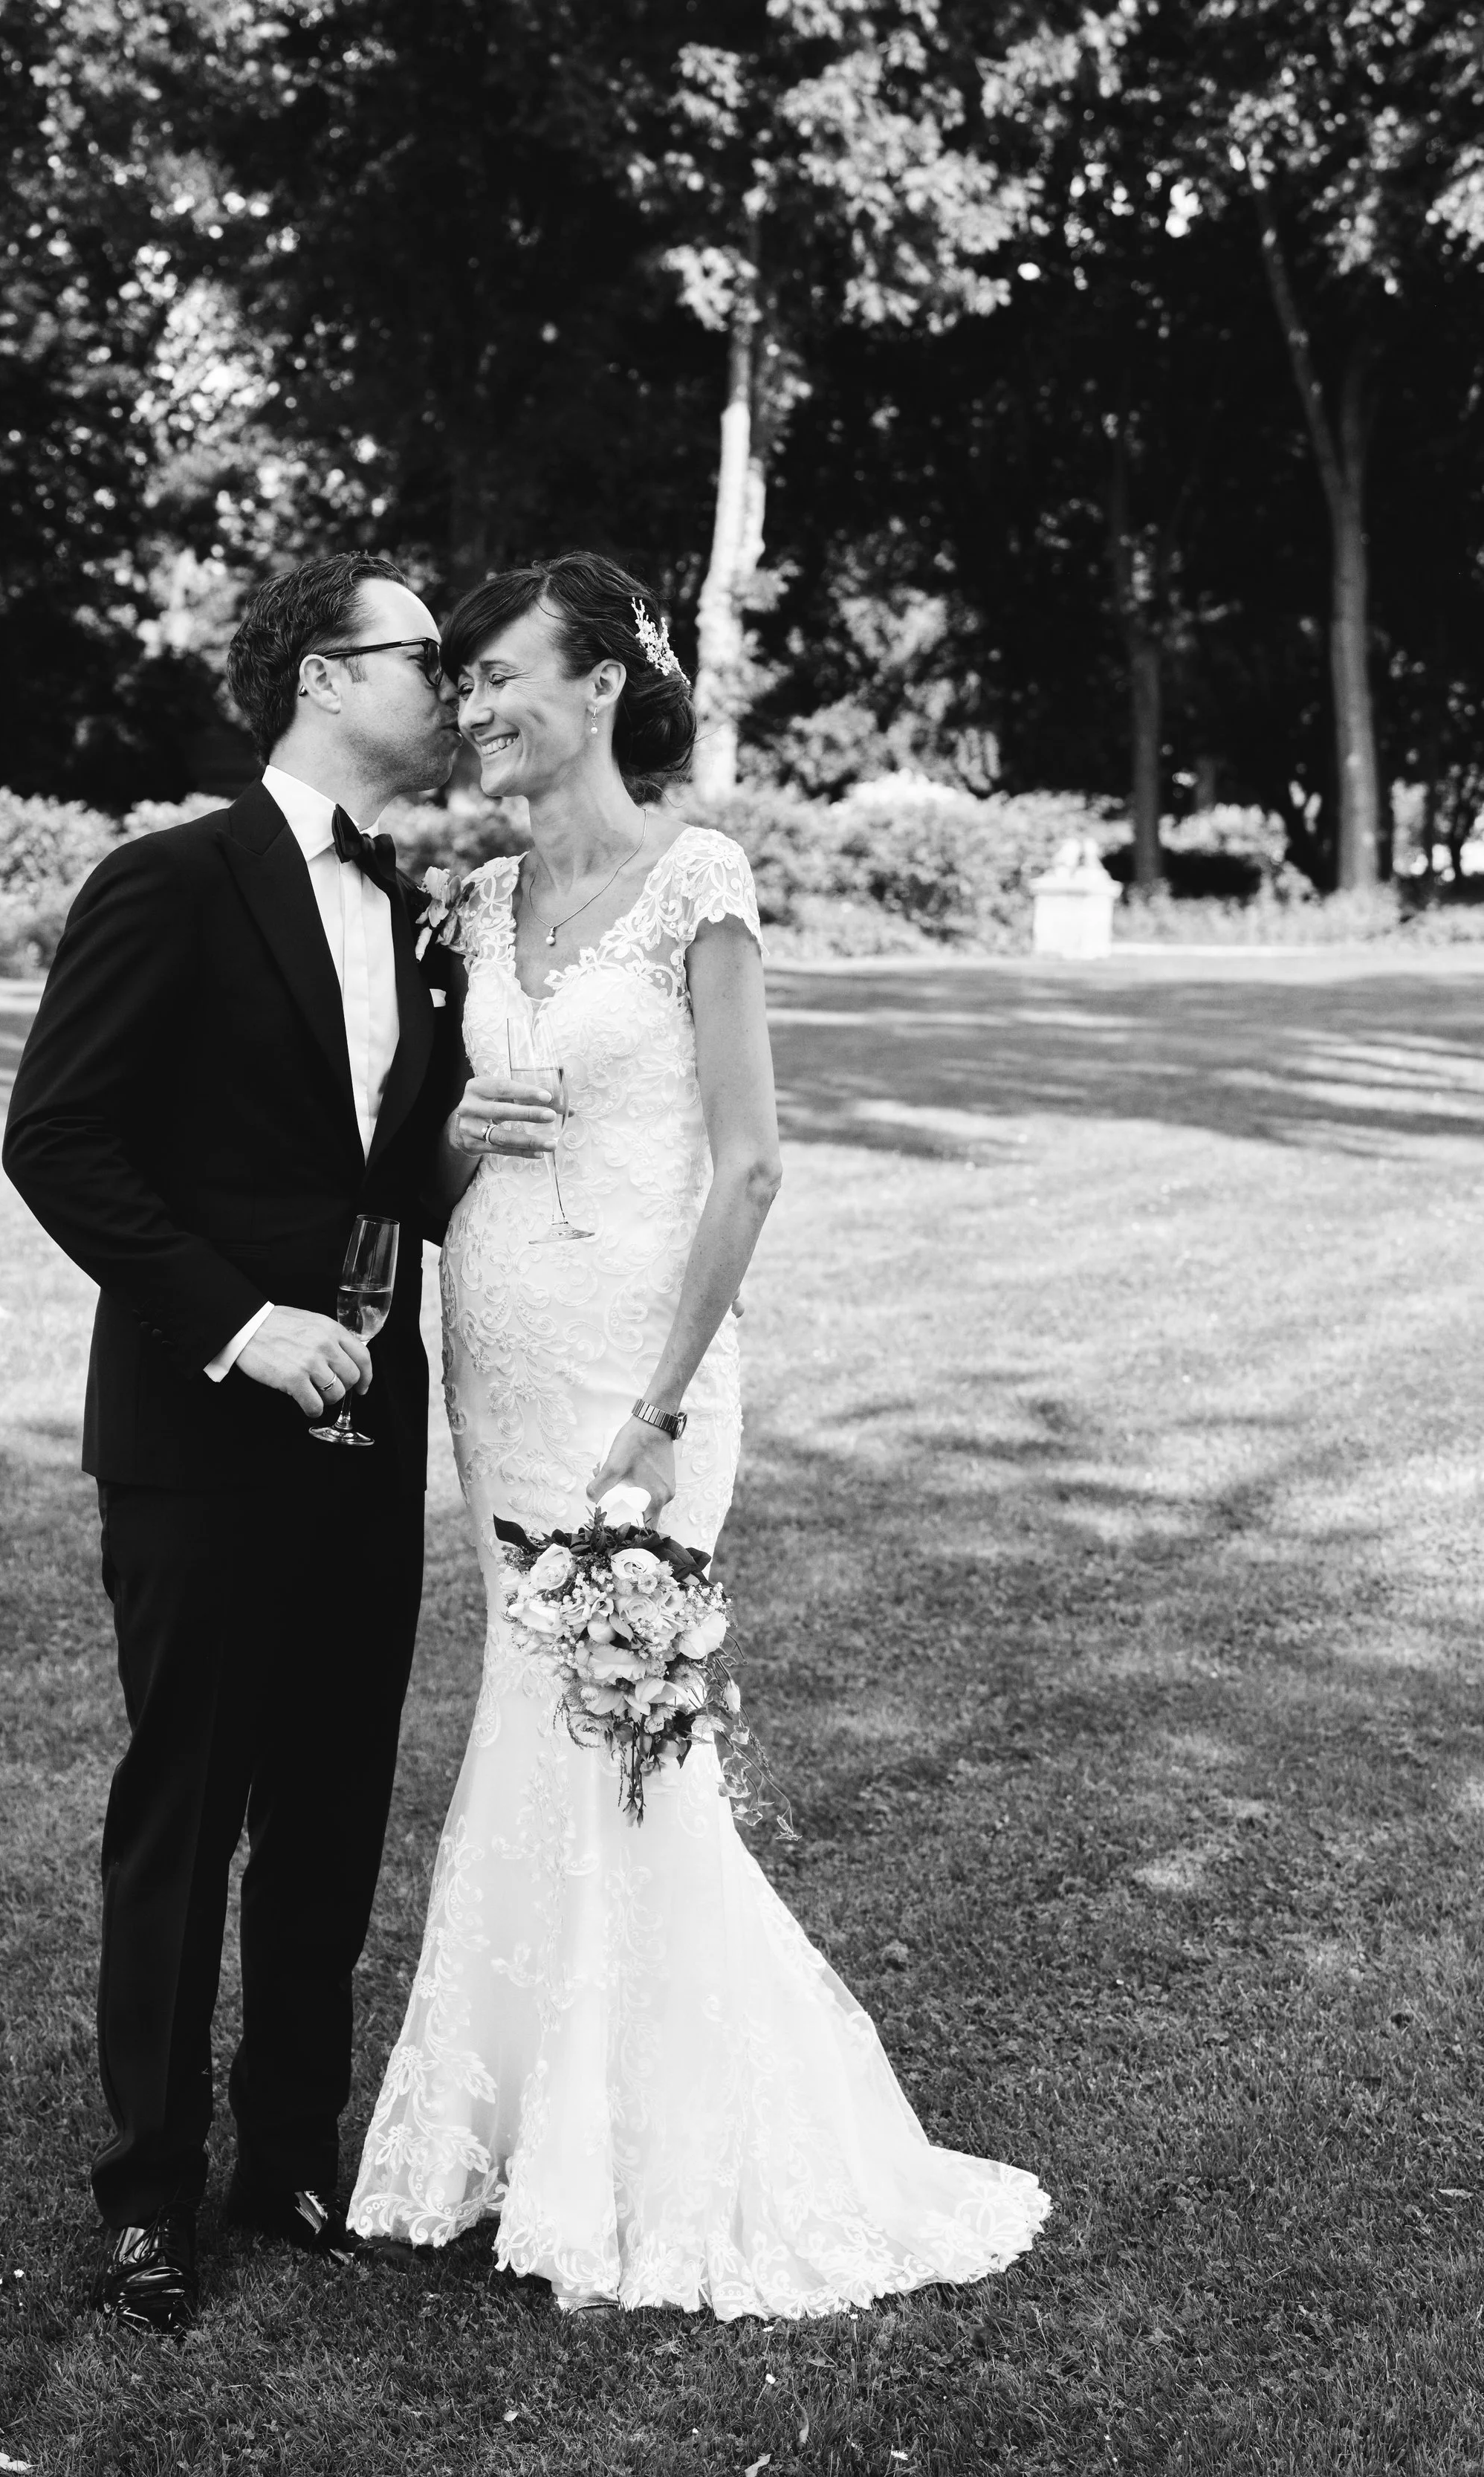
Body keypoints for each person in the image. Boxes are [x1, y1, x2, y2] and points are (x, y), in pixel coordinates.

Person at [348, 550, 1050, 2316]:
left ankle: (651, 2149)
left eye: (503, 673)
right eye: (467, 679)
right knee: (532, 1711)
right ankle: (520, 2131)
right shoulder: (472, 904)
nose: (476, 703)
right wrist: (459, 1132)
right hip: (494, 1362)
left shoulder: (696, 881)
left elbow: (748, 1162)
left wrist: (661, 1410)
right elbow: (425, 1178)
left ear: (598, 690)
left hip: (639, 1384)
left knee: (622, 1729)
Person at [2, 551, 467, 2335]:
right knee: (185, 1808)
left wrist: (468, 1137)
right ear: (322, 679)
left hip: (368, 1419)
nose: (451, 685)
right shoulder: (170, 882)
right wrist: (233, 1322)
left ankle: (289, 2146)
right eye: (424, 657)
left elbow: (380, 1177)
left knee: (336, 1797)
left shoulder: (421, 917)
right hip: (200, 1430)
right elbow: (61, 1140)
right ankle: (146, 2190)